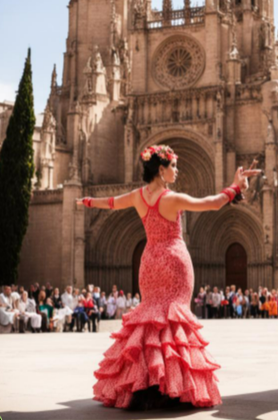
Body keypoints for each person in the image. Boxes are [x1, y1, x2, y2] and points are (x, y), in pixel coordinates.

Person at [78, 144, 260, 410]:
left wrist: (87, 202)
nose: (177, 170)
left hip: (150, 261)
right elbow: (210, 204)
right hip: (174, 261)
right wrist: (235, 187)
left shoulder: (138, 196)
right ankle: (172, 385)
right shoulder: (171, 198)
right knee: (173, 318)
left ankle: (147, 384)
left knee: (151, 318)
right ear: (161, 170)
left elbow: (112, 203)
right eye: (173, 166)